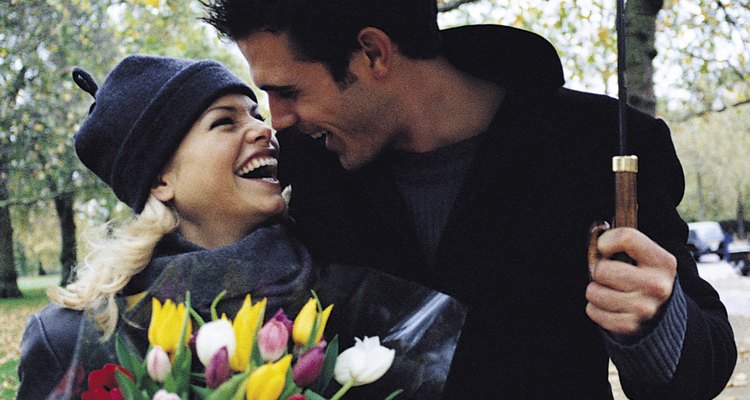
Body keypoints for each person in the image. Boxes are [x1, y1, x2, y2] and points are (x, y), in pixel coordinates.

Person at [202, 1, 737, 399]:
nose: (278, 119)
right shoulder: (300, 169)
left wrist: (654, 321)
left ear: (373, 53)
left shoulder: (604, 144)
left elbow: (700, 375)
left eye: (289, 91)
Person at [18, 55, 465, 400]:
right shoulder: (76, 336)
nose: (264, 130)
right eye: (225, 122)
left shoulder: (354, 296)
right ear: (160, 179)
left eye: (254, 114)